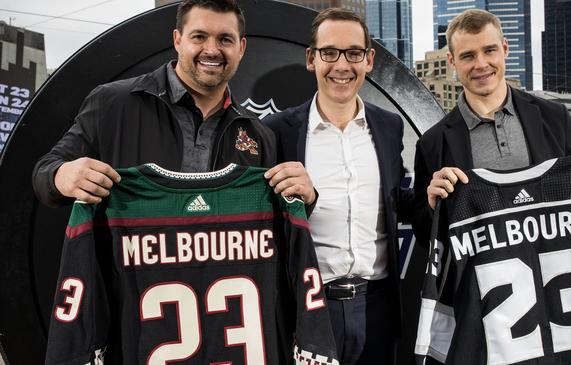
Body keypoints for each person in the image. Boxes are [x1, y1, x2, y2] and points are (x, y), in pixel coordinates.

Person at [32, 0, 312, 207]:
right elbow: (45, 173)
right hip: (129, 281)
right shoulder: (112, 102)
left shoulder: (257, 134)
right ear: (178, 40)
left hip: (218, 283)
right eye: (199, 36)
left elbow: (273, 223)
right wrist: (62, 176)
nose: (212, 50)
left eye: (225, 39)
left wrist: (303, 199)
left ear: (241, 48)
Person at [263, 8, 411, 365]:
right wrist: (305, 202)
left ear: (369, 60)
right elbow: (261, 219)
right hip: (307, 308)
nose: (341, 65)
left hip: (378, 307)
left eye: (354, 53)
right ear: (312, 59)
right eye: (329, 53)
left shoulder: (389, 126)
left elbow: (397, 202)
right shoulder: (275, 130)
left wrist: (435, 198)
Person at [412, 9, 571, 243]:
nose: (481, 64)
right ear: (452, 61)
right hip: (480, 279)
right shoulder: (432, 143)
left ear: (505, 48)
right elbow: (423, 234)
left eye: (489, 50)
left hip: (554, 272)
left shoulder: (555, 118)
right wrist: (432, 205)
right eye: (468, 56)